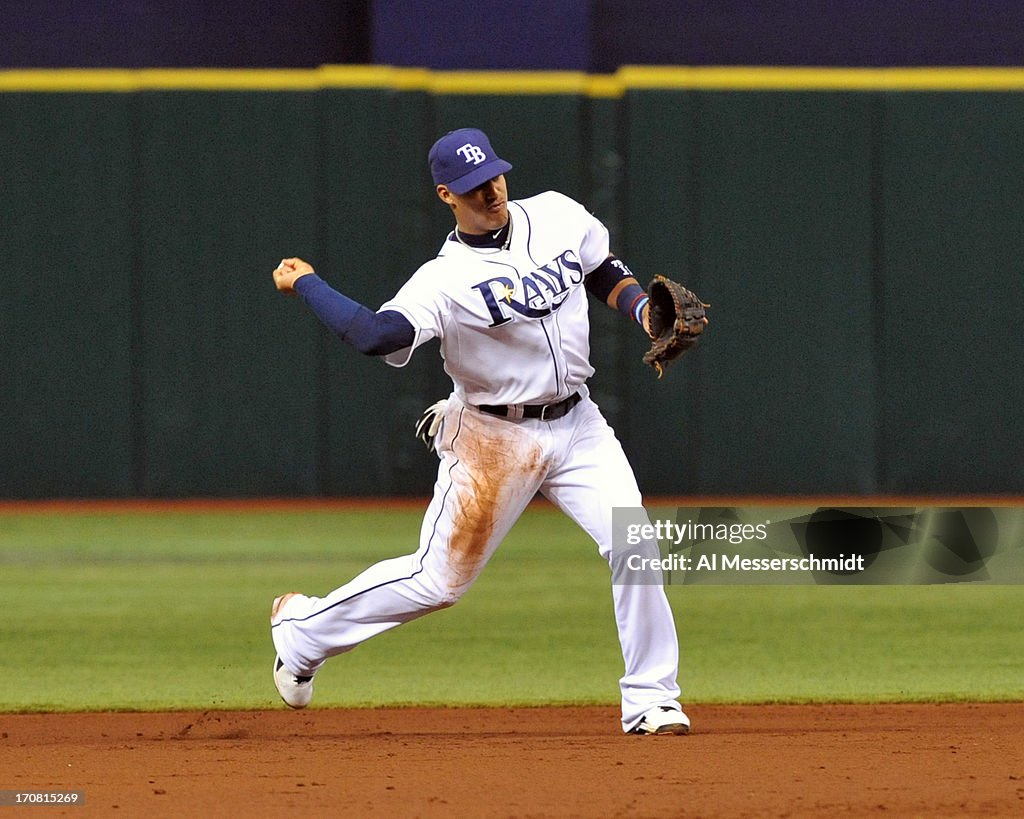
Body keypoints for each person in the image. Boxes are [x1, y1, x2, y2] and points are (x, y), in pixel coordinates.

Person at [270, 127, 690, 735]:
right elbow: (375, 336)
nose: (490, 191)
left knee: (635, 544)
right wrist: (307, 282)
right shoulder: (441, 279)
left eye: (493, 176)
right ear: (446, 195)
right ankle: (302, 631)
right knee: (436, 583)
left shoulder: (556, 214)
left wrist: (643, 310)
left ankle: (652, 700)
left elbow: (602, 270)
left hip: (578, 423)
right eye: (472, 187)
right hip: (494, 439)